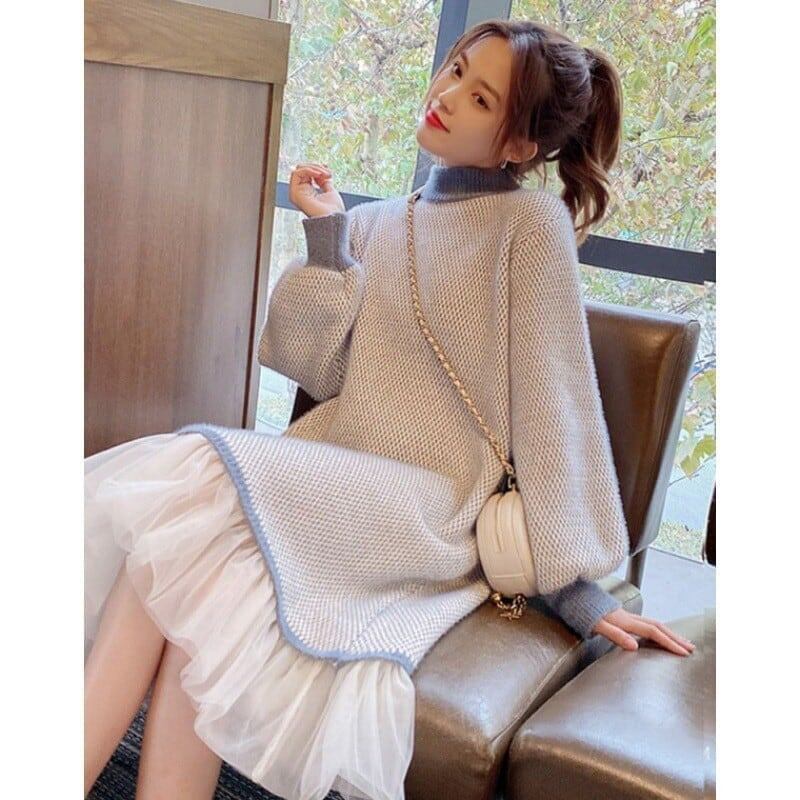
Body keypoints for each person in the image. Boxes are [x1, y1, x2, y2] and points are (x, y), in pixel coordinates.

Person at [84, 18, 696, 800]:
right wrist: (327, 237)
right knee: (180, 578)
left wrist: (576, 591)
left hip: (433, 503)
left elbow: (556, 413)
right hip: (348, 476)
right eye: (457, 70)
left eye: (481, 98)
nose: (448, 95)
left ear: (519, 145)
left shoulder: (530, 228)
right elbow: (317, 368)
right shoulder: (377, 222)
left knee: (199, 471)